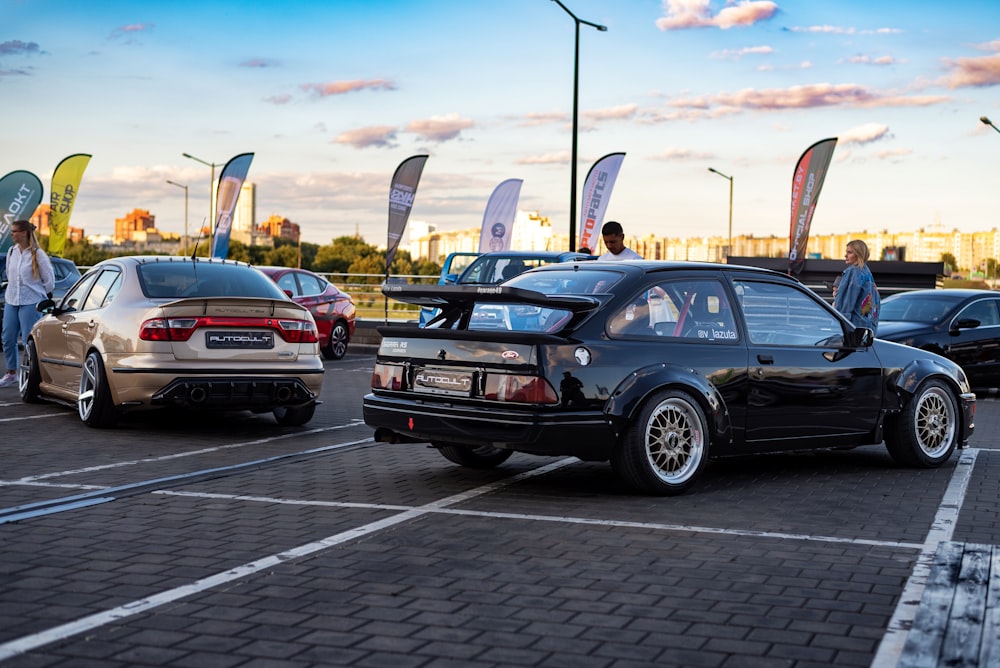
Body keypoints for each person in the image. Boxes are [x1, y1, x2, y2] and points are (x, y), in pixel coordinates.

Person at [1, 220, 55, 388]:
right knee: (7, 338)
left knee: (28, 341)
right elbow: (10, 275)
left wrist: (37, 293)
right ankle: (11, 373)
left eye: (14, 231)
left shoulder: (38, 254)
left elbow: (49, 282)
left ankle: (31, 376)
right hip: (12, 299)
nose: (12, 234)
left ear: (24, 233)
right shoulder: (11, 252)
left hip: (31, 302)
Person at [833, 239, 880, 334]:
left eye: (849, 252)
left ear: (859, 254)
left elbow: (846, 304)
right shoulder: (867, 273)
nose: (845, 255)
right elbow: (876, 303)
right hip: (867, 328)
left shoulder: (853, 272)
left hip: (852, 328)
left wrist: (839, 325)